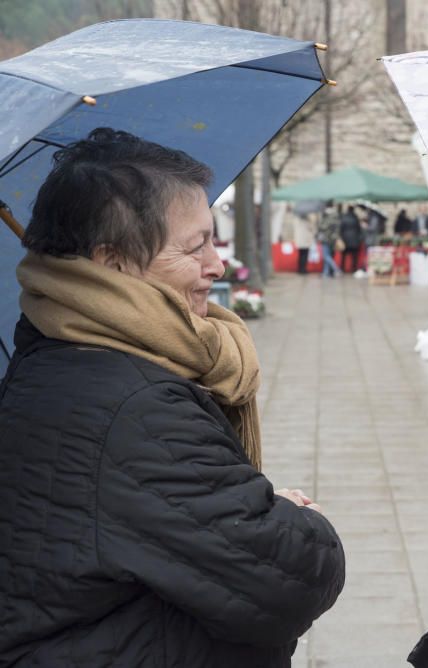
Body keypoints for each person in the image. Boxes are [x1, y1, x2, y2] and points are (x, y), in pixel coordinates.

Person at [0, 129, 346, 667]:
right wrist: (298, 519)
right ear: (112, 263)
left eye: (214, 240)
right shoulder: (135, 407)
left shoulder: (54, 348)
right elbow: (288, 577)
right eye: (195, 247)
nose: (217, 265)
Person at [317, 201, 343, 278]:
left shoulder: (327, 215)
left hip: (326, 238)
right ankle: (326, 273)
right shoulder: (336, 215)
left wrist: (320, 221)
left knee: (326, 256)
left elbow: (323, 227)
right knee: (328, 255)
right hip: (333, 238)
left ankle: (336, 269)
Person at [339, 204, 364, 274]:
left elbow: (341, 229)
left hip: (345, 239)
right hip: (354, 239)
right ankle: (354, 269)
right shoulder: (356, 218)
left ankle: (342, 268)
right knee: (354, 256)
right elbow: (359, 229)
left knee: (343, 256)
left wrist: (341, 237)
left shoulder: (344, 218)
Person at [292, 207, 316, 274]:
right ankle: (303, 269)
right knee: (305, 256)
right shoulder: (307, 220)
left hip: (299, 241)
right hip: (305, 241)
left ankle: (300, 269)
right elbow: (312, 228)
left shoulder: (297, 220)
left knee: (300, 255)